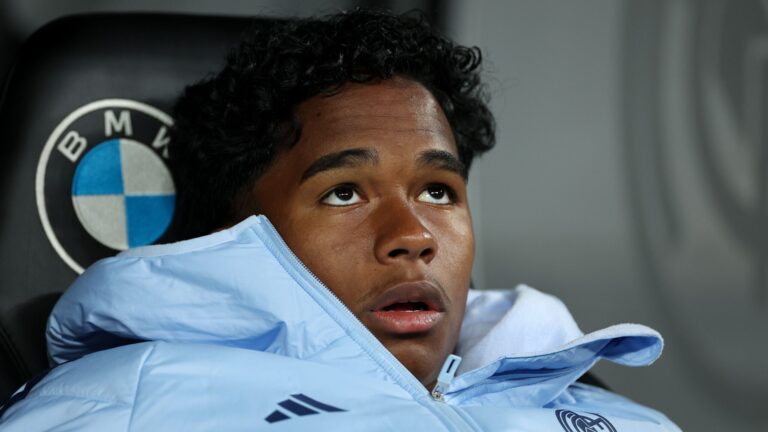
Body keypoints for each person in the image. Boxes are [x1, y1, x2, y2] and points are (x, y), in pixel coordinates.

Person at [0, 10, 680, 431]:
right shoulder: (117, 410)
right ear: (230, 234)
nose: (413, 236)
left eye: (438, 191)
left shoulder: (620, 417)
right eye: (345, 193)